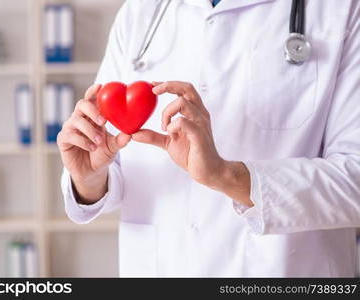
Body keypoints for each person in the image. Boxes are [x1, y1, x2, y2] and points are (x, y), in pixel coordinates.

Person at [57, 0, 360, 277]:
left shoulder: (341, 9)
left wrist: (227, 176)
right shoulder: (142, 12)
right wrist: (89, 177)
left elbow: (355, 178)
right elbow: (111, 157)